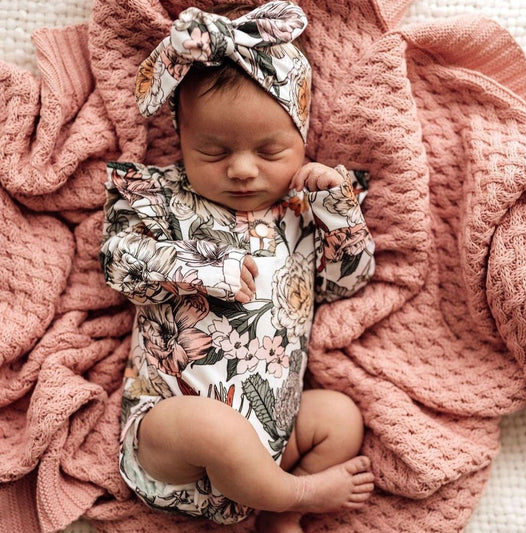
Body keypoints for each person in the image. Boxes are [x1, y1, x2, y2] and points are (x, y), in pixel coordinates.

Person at [100, 2, 375, 531]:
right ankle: (295, 495)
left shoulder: (303, 211)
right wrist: (204, 268)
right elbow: (118, 262)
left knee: (340, 417)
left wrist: (337, 213)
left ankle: (275, 514)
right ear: (182, 140)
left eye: (270, 151)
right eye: (213, 151)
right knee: (215, 428)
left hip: (273, 437)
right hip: (170, 436)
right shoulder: (162, 199)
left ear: (302, 139)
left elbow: (348, 283)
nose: (243, 169)